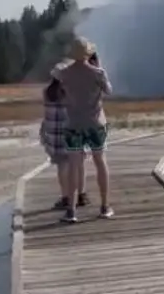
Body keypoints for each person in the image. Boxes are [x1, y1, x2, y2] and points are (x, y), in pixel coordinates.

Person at [51, 36, 113, 222]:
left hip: (74, 124)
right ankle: (104, 207)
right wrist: (98, 66)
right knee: (100, 162)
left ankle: (71, 210)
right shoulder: (98, 73)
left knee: (74, 166)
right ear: (89, 53)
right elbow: (109, 90)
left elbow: (56, 74)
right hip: (95, 123)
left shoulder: (64, 74)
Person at [39, 76, 88, 210]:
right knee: (79, 165)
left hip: (55, 136)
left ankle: (66, 197)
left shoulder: (46, 92)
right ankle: (81, 195)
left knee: (62, 167)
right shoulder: (73, 92)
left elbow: (46, 114)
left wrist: (43, 133)